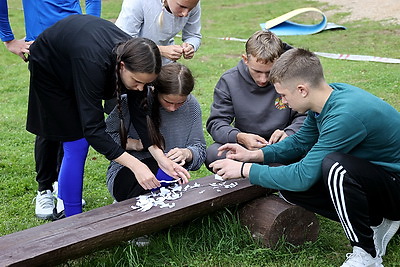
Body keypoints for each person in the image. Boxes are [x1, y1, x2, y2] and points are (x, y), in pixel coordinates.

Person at [209, 48, 400, 266]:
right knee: (289, 187)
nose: (282, 101)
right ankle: (377, 220)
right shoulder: (325, 100)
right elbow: (300, 142)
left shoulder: (345, 115)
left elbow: (303, 176)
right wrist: (254, 155)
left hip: (395, 187)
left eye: (283, 94)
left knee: (336, 167)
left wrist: (244, 170)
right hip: (379, 181)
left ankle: (367, 254)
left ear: (301, 90)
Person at [27, 14, 190, 218]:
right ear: (122, 66)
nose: (140, 88)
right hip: (51, 66)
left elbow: (140, 114)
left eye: (146, 84)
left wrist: (160, 157)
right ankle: (71, 216)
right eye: (137, 81)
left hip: (80, 51)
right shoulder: (94, 64)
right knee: (76, 142)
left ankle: (68, 198)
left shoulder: (134, 60)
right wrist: (135, 165)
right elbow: (94, 130)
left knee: (79, 139)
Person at [0, 0, 101, 220]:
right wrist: (8, 38)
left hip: (76, 45)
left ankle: (62, 186)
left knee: (74, 121)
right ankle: (44, 188)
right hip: (42, 47)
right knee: (47, 122)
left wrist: (89, 25)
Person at [205, 30, 306, 170]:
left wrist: (289, 133)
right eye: (257, 71)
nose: (263, 80)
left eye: (269, 72)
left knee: (311, 150)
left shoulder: (293, 77)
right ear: (245, 60)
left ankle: (261, 173)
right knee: (213, 153)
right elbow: (216, 123)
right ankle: (273, 172)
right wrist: (239, 137)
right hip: (246, 148)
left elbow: (306, 116)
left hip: (283, 146)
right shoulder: (229, 81)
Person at [106, 62, 206, 201]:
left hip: (170, 177)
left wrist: (187, 153)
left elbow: (200, 150)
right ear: (156, 90)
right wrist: (135, 144)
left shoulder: (192, 106)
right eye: (168, 101)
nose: (172, 108)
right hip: (129, 173)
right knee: (154, 171)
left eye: (180, 103)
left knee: (166, 178)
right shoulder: (132, 101)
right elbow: (105, 137)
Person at [115, 0, 201, 65]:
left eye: (190, 8)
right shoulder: (138, 2)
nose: (185, 13)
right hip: (135, 62)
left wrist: (191, 45)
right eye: (182, 6)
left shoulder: (191, 3)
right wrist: (161, 50)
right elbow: (122, 41)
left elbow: (193, 35)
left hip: (165, 64)